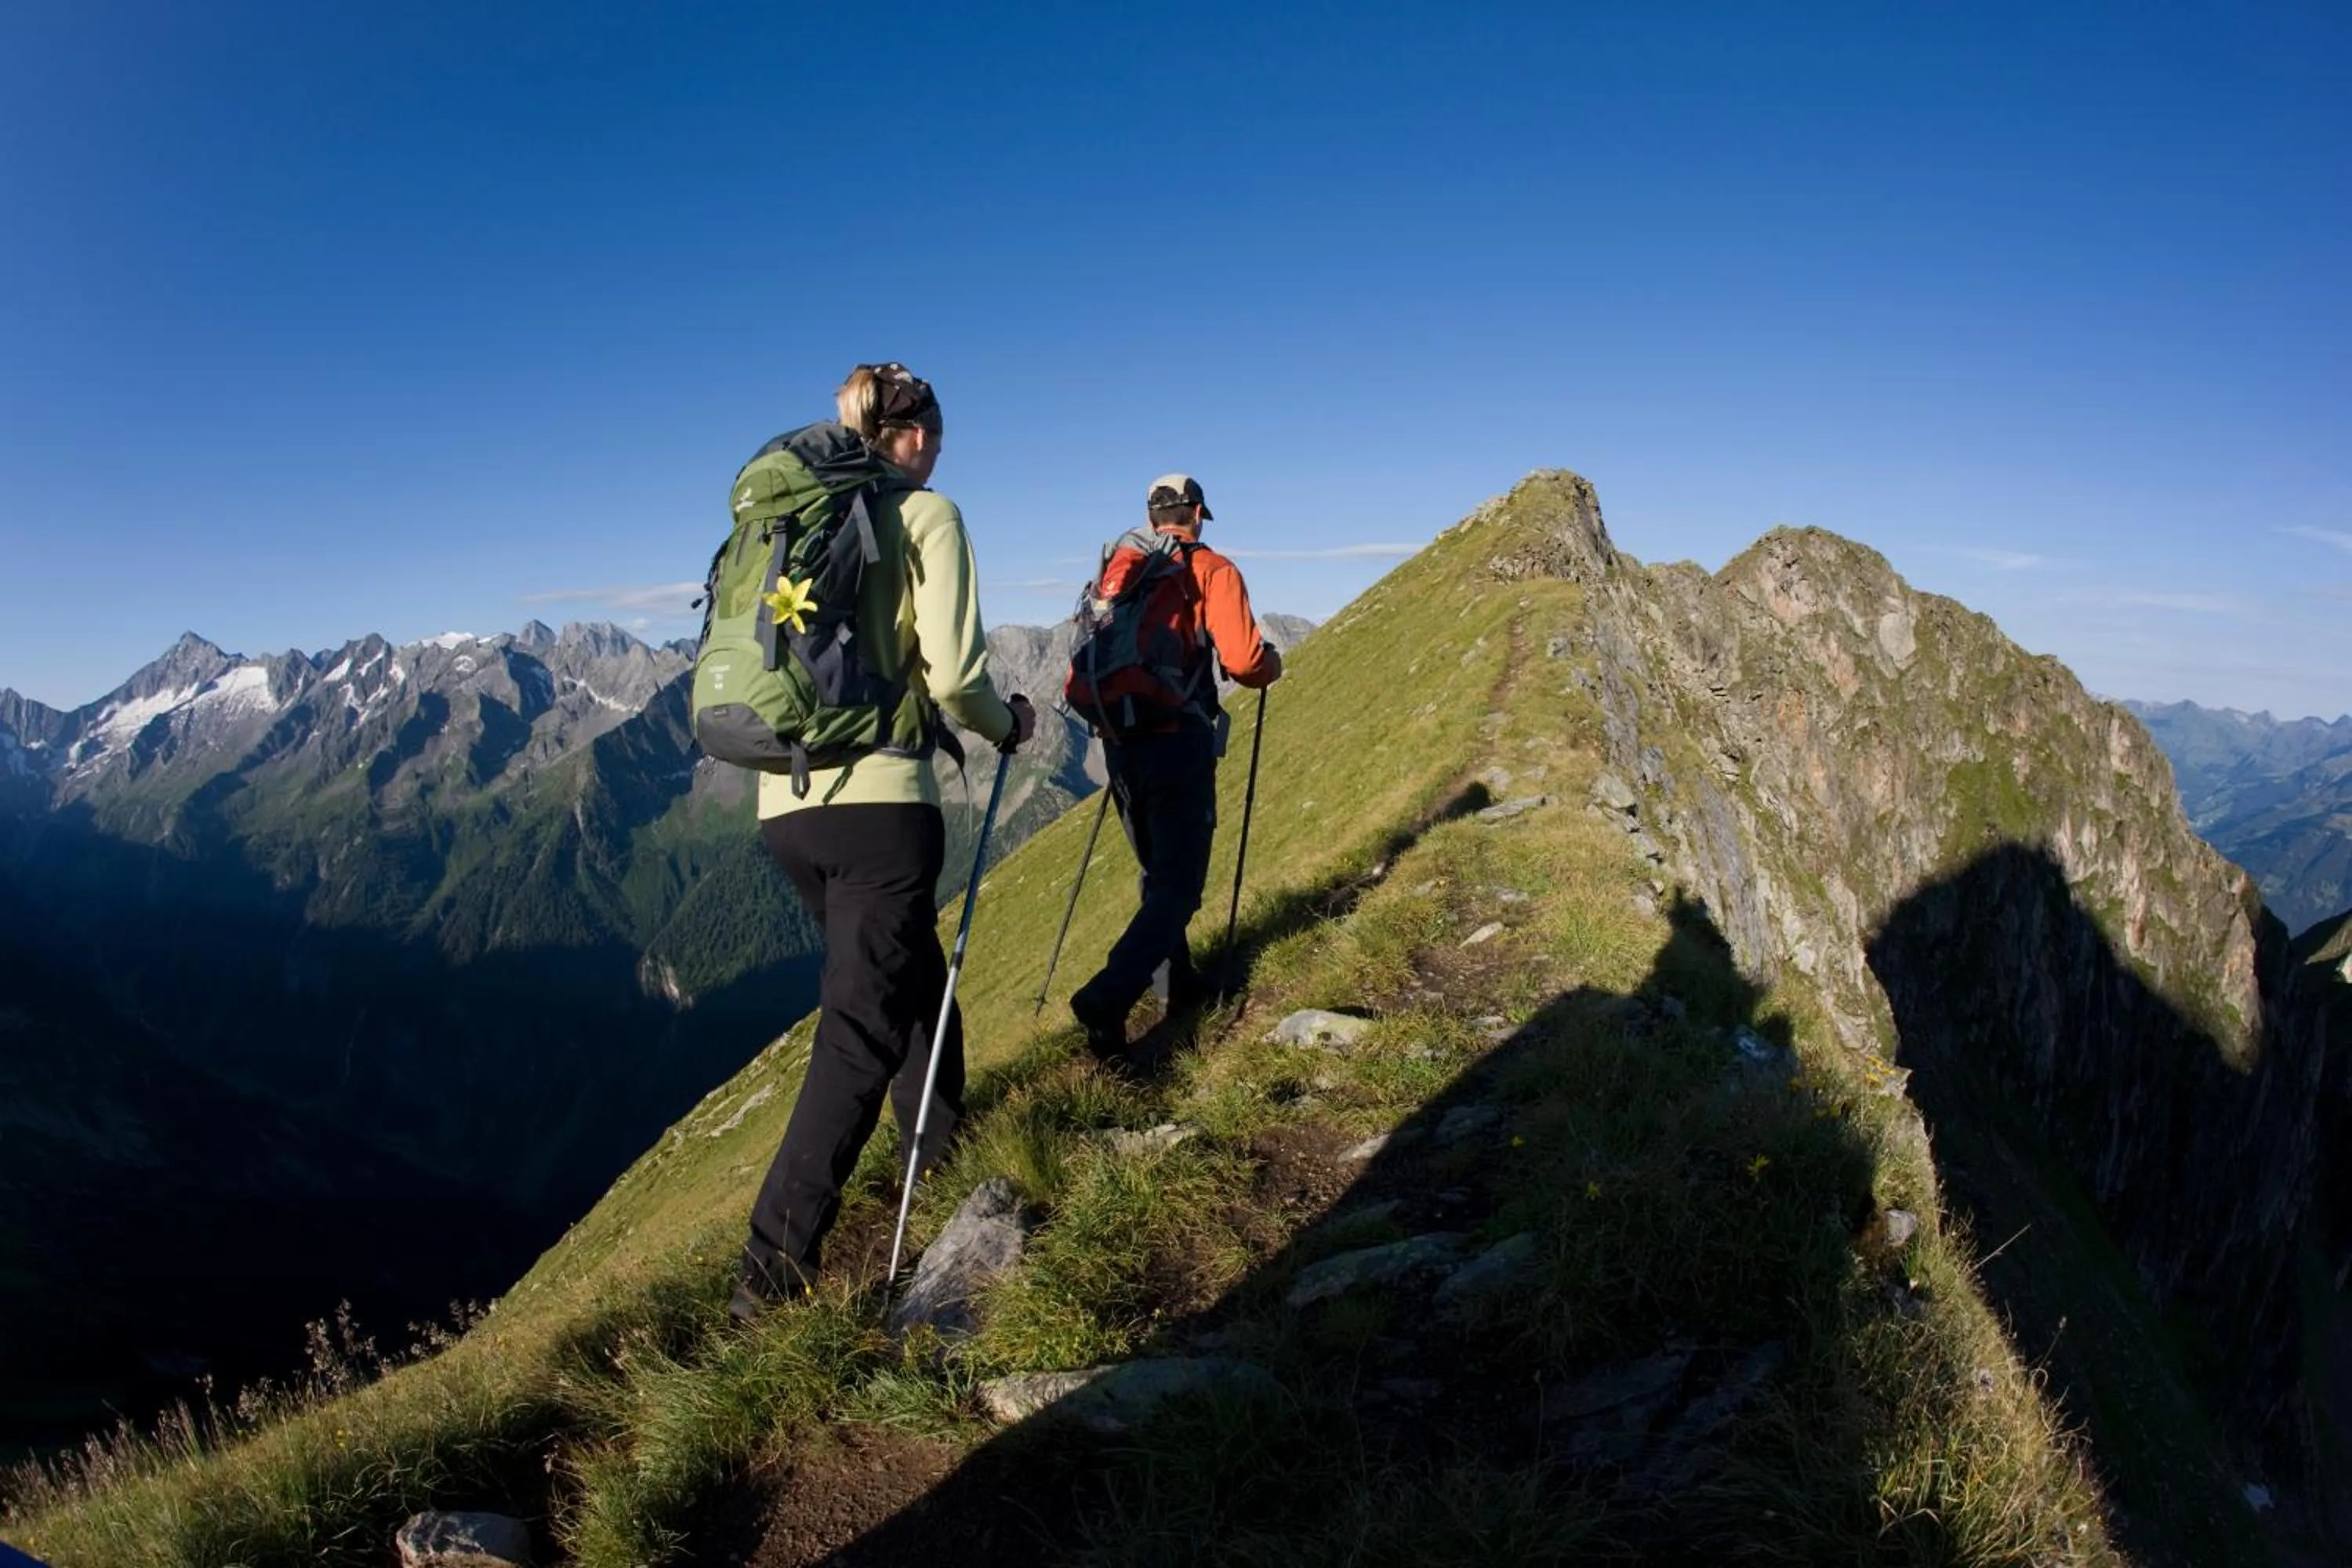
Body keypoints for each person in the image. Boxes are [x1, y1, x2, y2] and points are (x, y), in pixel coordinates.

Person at [732, 361, 1036, 1321]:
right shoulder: (925, 516)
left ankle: (942, 1150)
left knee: (911, 980)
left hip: (786, 807)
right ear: (908, 435)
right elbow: (954, 679)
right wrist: (1010, 725)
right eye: (935, 438)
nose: (938, 454)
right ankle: (768, 1278)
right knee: (859, 1029)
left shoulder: (794, 519)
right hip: (879, 806)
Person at [1069, 474, 1282, 1065]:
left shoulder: (1121, 568)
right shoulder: (1211, 569)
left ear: (1152, 514)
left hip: (1118, 742)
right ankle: (1107, 997)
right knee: (1180, 885)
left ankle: (1175, 986)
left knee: (1155, 871)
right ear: (1194, 513)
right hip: (1177, 740)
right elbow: (1242, 660)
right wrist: (1273, 669)